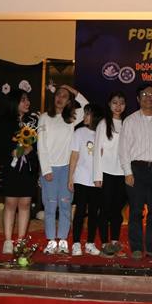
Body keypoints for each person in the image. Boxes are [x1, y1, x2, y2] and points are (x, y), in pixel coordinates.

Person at [118, 83, 152, 260]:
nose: (148, 97)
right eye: (144, 95)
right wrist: (127, 172)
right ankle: (137, 248)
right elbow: (123, 149)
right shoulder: (130, 120)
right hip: (137, 169)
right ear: (138, 99)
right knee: (136, 210)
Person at [38, 84, 88, 255]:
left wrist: (72, 90)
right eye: (58, 94)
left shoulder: (72, 117)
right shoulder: (44, 117)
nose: (60, 98)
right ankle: (51, 241)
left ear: (69, 101)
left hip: (67, 169)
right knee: (50, 206)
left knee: (65, 206)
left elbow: (87, 106)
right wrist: (46, 169)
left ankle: (63, 241)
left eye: (65, 96)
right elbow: (41, 145)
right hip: (49, 168)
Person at [0, 88, 39, 254]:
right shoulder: (4, 121)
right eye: (23, 100)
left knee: (25, 203)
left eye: (27, 99)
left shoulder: (32, 121)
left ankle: (21, 241)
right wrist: (12, 152)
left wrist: (31, 149)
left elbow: (38, 143)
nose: (27, 103)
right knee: (10, 203)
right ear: (15, 102)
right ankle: (8, 240)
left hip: (28, 169)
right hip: (11, 168)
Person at [94, 91, 128, 257]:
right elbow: (96, 152)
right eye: (115, 102)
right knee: (105, 209)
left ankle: (115, 242)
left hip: (122, 173)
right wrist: (97, 176)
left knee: (117, 210)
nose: (118, 106)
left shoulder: (127, 124)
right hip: (106, 173)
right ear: (109, 104)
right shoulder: (103, 124)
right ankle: (105, 244)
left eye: (121, 103)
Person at [69, 104, 104, 256]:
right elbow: (74, 156)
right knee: (80, 211)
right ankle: (76, 243)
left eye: (87, 114)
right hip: (81, 178)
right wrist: (70, 177)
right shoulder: (79, 132)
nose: (84, 117)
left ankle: (90, 243)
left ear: (95, 116)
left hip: (97, 179)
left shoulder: (102, 133)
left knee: (94, 212)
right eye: (84, 114)